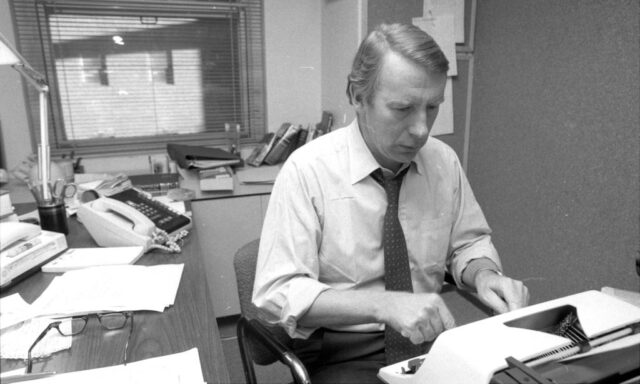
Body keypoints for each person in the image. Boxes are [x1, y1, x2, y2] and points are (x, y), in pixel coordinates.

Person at [253, 23, 529, 383]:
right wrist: (386, 305)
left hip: (428, 343)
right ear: (357, 96)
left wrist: (484, 274)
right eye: (402, 108)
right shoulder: (308, 171)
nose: (421, 129)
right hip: (342, 351)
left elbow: (468, 242)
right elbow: (278, 291)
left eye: (432, 107)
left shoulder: (442, 162)